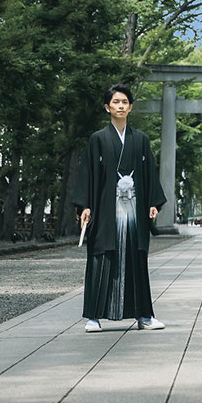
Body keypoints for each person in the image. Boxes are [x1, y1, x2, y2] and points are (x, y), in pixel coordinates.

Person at [71, 84, 167, 332]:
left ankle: (144, 316)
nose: (121, 106)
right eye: (116, 102)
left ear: (131, 107)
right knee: (101, 257)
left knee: (136, 258)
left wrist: (153, 203)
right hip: (105, 209)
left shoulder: (141, 140)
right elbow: (88, 174)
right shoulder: (98, 139)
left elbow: (149, 174)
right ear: (107, 107)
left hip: (134, 207)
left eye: (125, 102)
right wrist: (85, 206)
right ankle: (93, 316)